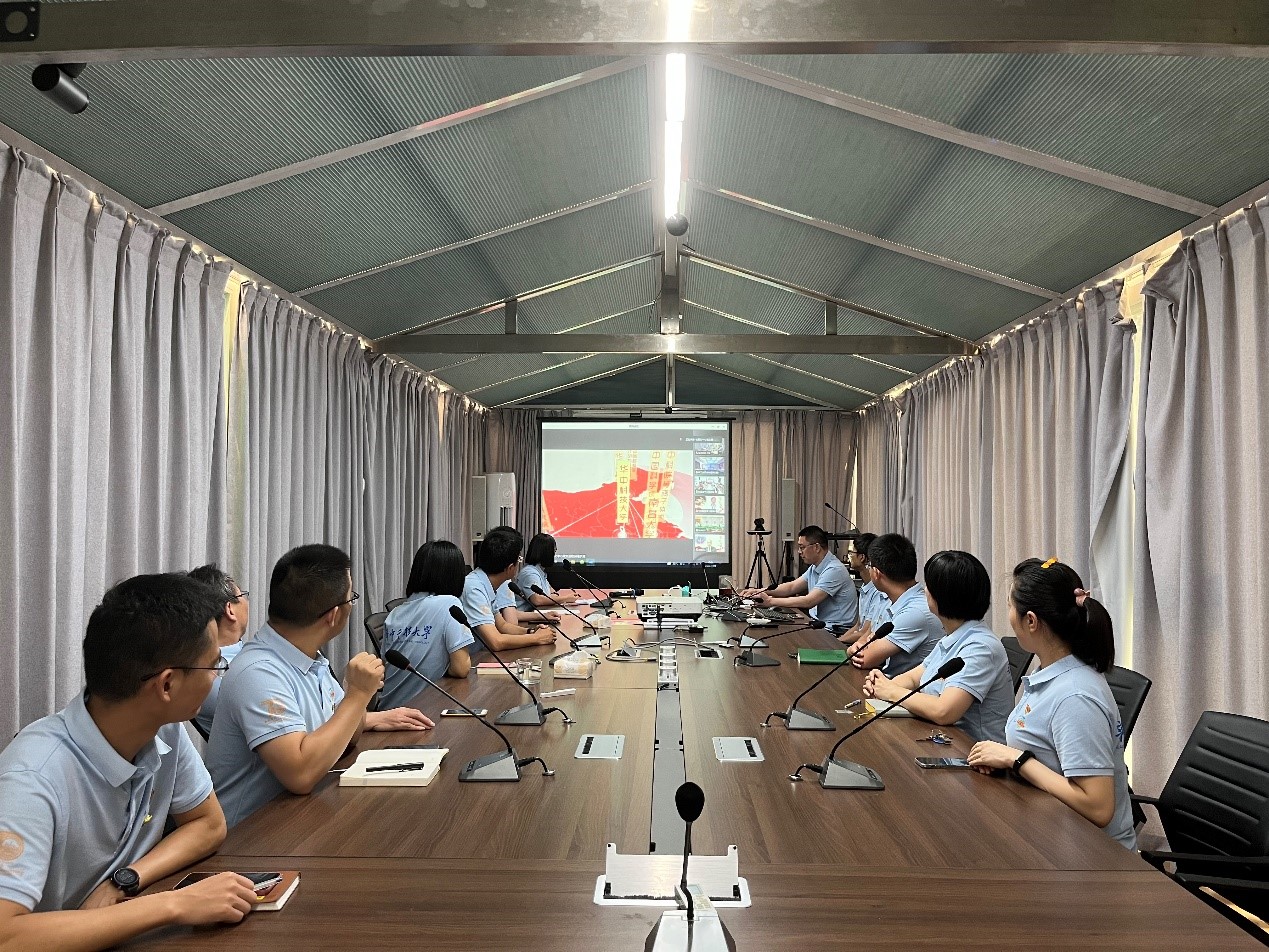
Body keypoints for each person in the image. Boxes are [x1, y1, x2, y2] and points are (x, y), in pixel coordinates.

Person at [0, 574, 260, 951]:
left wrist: (124, 879)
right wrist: (173, 904)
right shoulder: (32, 778)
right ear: (167, 685)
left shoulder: (162, 728)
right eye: (214, 665)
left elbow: (208, 824)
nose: (219, 675)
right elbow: (5, 936)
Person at [207, 544, 434, 827]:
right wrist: (358, 695)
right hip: (251, 835)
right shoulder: (257, 672)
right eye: (351, 598)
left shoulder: (309, 657)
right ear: (333, 615)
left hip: (300, 817)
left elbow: (345, 736)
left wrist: (359, 707)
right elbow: (300, 775)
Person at [967, 558, 1136, 849]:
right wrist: (1008, 761)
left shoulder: (1076, 697)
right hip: (1048, 829)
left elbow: (1098, 808)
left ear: (1031, 621)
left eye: (1010, 607)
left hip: (1093, 857)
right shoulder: (1051, 672)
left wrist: (1017, 761)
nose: (1009, 615)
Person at [861, 551, 1013, 743]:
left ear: (941, 596)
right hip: (943, 740)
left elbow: (944, 711)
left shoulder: (981, 646)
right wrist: (882, 685)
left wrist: (891, 692)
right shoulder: (954, 635)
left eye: (929, 585)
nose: (925, 590)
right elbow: (915, 677)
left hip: (971, 751)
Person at [379, 541, 475, 708]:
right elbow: (461, 668)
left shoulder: (395, 613)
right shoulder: (449, 604)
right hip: (420, 710)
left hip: (386, 709)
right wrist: (443, 665)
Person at [849, 533, 942, 674]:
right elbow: (866, 639)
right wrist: (855, 648)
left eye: (869, 566)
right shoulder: (890, 600)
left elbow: (865, 659)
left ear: (876, 573)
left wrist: (855, 649)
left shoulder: (915, 611)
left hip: (905, 685)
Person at [741, 525, 857, 634]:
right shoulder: (815, 567)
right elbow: (791, 587)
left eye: (802, 547)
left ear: (816, 547)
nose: (799, 552)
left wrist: (770, 601)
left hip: (834, 631)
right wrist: (759, 591)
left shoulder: (834, 569)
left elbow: (809, 601)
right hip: (819, 624)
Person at [461, 528, 558, 653]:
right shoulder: (474, 588)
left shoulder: (486, 583)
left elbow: (503, 626)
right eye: (519, 559)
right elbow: (496, 642)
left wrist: (531, 631)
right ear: (510, 567)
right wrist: (537, 638)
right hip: (472, 659)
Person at [186, 564, 249, 738]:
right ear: (230, 609)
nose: (247, 603)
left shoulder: (244, 654)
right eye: (243, 596)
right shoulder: (213, 677)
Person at [515, 533, 568, 611]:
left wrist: (556, 597)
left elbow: (552, 593)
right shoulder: (530, 573)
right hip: (526, 615)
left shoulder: (539, 571)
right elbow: (537, 600)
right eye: (554, 551)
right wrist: (566, 598)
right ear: (547, 553)